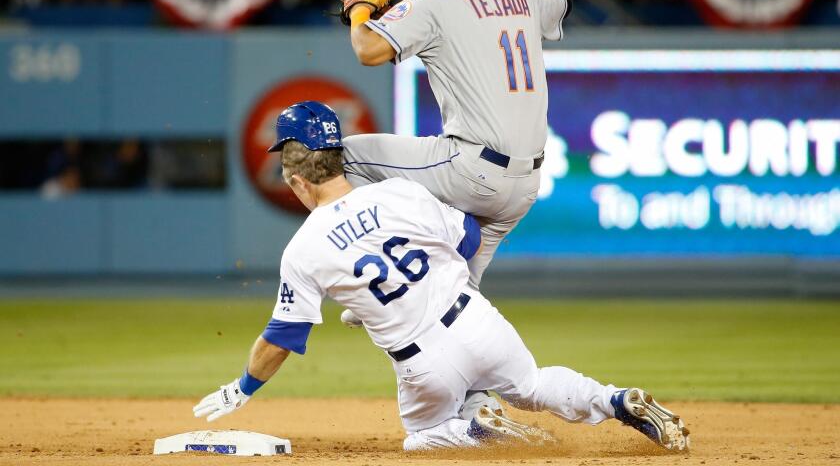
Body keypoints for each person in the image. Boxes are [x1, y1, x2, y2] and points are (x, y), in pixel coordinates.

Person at [193, 101, 691, 453]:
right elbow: (470, 241)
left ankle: (474, 428)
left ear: (297, 179)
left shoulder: (302, 249)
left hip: (423, 363)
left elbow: (282, 337)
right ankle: (615, 400)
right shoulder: (400, 192)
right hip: (475, 319)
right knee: (533, 385)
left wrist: (243, 387)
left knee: (420, 437)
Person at [340, 0, 571, 293]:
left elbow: (367, 50)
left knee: (344, 156)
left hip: (471, 171)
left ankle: (387, 266)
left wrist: (361, 7)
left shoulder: (434, 3)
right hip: (525, 189)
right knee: (461, 301)